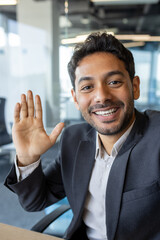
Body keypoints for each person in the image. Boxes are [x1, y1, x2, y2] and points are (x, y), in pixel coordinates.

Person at [5, 32, 160, 240]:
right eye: (87, 87)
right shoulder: (73, 138)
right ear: (76, 99)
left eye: (114, 82)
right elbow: (35, 202)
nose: (102, 96)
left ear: (135, 87)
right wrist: (28, 158)